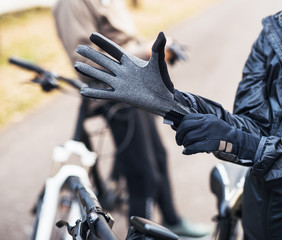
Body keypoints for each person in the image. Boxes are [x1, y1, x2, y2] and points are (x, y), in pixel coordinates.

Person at [73, 0, 282, 239]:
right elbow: (252, 128)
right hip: (255, 227)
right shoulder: (277, 33)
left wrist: (255, 149)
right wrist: (173, 104)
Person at [51, 0, 210, 238]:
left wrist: (151, 55)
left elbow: (122, 40)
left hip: (135, 89)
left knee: (158, 157)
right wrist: (144, 53)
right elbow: (85, 60)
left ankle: (173, 220)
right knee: (142, 174)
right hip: (115, 95)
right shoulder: (70, 4)